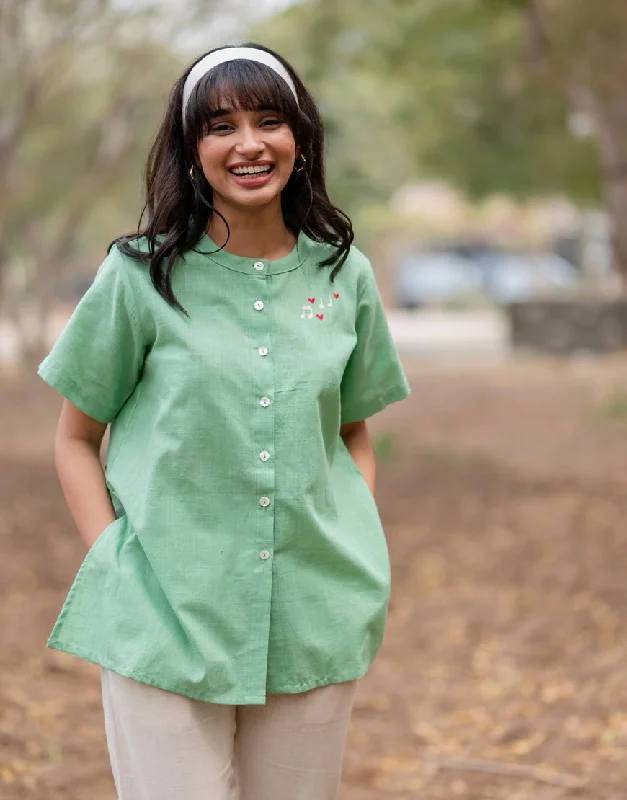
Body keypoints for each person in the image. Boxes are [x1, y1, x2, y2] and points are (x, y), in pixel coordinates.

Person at [37, 43, 411, 800]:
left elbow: (350, 430)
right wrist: (114, 562)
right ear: (191, 150)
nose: (248, 143)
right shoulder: (139, 277)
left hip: (315, 609)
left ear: (299, 138)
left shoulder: (345, 276)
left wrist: (353, 534)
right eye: (220, 126)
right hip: (164, 613)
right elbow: (76, 438)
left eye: (268, 120)